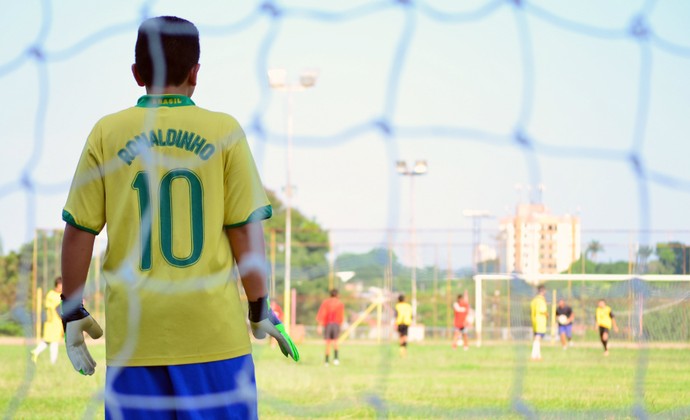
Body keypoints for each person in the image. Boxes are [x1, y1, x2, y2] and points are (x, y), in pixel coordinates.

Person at [59, 16, 298, 419]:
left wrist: (71, 309)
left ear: (137, 73)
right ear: (196, 72)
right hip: (214, 338)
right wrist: (259, 307)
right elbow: (245, 234)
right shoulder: (224, 131)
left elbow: (79, 230)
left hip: (135, 339)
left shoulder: (107, 132)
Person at [31, 277, 64, 364]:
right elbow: (58, 309)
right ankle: (53, 362)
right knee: (54, 342)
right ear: (57, 285)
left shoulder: (51, 294)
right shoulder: (54, 295)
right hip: (53, 322)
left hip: (53, 322)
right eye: (61, 285)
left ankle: (35, 352)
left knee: (48, 341)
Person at [316, 289, 345, 365]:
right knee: (335, 342)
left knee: (328, 343)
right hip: (336, 324)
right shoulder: (339, 303)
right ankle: (336, 359)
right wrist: (341, 325)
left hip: (328, 324)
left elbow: (322, 314)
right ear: (337, 295)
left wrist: (319, 325)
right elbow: (341, 316)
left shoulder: (326, 302)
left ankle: (326, 361)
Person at [530, 285, 548, 361]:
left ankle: (538, 355)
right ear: (543, 291)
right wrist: (547, 314)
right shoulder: (541, 300)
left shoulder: (534, 300)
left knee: (537, 338)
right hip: (540, 322)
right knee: (537, 338)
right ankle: (534, 355)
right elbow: (543, 311)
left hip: (534, 321)